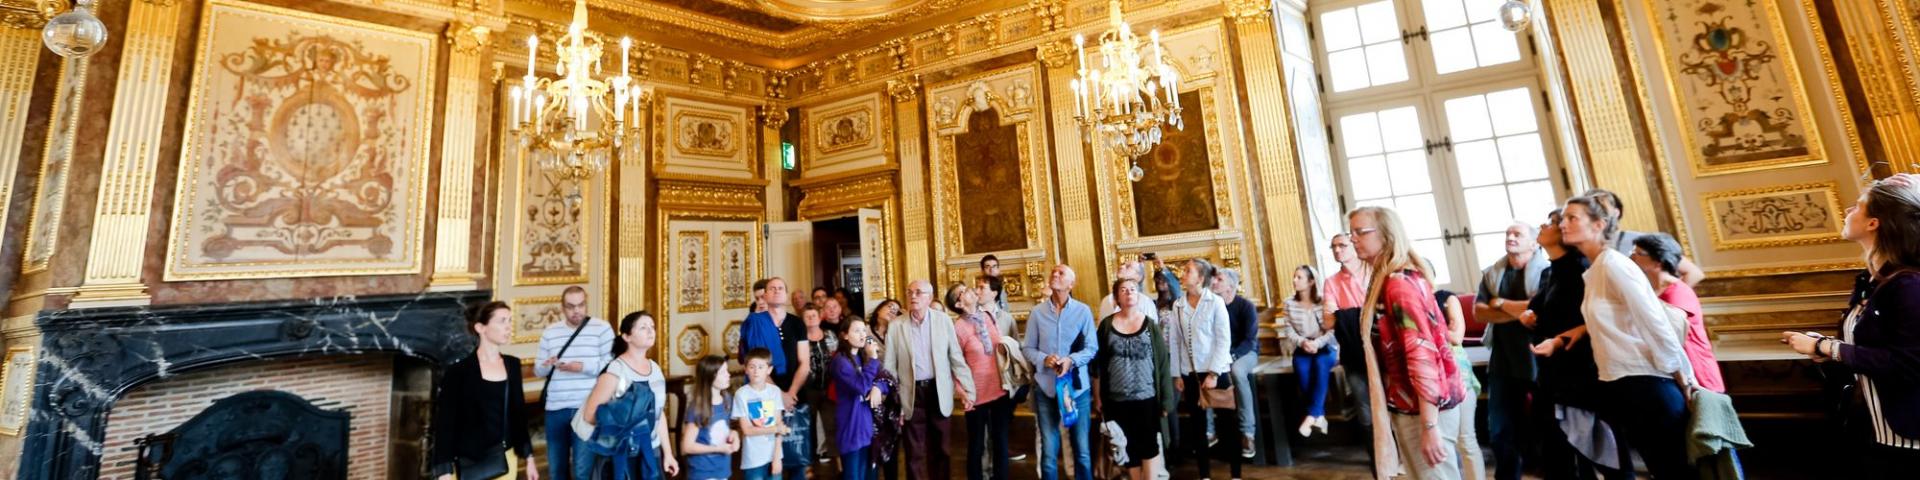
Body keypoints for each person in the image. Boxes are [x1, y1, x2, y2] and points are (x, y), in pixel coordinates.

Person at [1782, 173, 1920, 477]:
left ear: (1874, 223)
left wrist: (1825, 346)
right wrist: (1827, 351)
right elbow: (1871, 350)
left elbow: (1908, 363)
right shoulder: (1871, 282)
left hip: (1910, 439)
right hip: (1873, 431)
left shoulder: (1909, 284)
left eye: (1857, 206)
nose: (1847, 211)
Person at [1560, 195, 1695, 479]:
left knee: (1675, 472)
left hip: (1649, 382)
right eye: (1563, 218)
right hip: (1622, 383)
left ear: (1598, 224)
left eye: (1572, 218)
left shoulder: (1614, 264)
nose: (1563, 224)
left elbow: (1654, 322)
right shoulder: (1595, 270)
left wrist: (1683, 378)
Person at [1348, 206, 1468, 480]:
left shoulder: (1399, 284)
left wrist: (1429, 425)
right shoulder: (1390, 278)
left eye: (1360, 232)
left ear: (1386, 235)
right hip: (1414, 404)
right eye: (1351, 232)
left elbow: (1421, 355)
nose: (1353, 238)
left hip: (1424, 408)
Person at [1471, 222, 1546, 480]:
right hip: (1502, 361)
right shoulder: (1493, 273)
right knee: (1500, 428)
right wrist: (1520, 311)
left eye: (1517, 234)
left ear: (1534, 243)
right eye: (1508, 234)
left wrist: (1500, 303)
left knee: (1546, 424)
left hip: (1537, 358)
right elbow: (1479, 312)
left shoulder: (1545, 271)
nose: (1510, 237)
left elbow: (1539, 308)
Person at [432, 301, 539, 480]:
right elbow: (445, 424)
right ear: (481, 328)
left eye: (510, 320)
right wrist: (444, 471)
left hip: (505, 459)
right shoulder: (458, 372)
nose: (508, 327)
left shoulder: (512, 365)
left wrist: (529, 458)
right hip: (470, 463)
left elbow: (518, 416)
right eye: (502, 321)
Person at [883, 280, 976, 480]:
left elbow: (956, 358)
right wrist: (895, 401)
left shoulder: (943, 321)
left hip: (938, 391)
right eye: (909, 292)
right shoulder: (896, 326)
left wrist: (968, 389)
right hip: (911, 394)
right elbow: (889, 367)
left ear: (930, 297)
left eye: (918, 292)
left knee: (942, 449)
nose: (913, 296)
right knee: (913, 452)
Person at [573, 310, 679, 480]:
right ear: (627, 336)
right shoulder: (615, 370)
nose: (650, 331)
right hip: (621, 454)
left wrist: (668, 453)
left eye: (652, 327)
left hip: (651, 451)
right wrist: (623, 425)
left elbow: (659, 414)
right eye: (643, 327)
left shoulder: (655, 369)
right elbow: (590, 415)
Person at [1092, 277, 1176, 480]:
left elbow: (1163, 364)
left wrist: (1166, 399)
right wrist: (1098, 397)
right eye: (1123, 289)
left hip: (1146, 397)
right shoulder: (1106, 326)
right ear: (1116, 298)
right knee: (1127, 445)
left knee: (1149, 445)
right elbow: (1097, 366)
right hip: (1117, 399)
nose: (1129, 292)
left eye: (1133, 289)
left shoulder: (1150, 325)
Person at [1022, 265, 1098, 480]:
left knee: (1082, 451)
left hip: (1077, 389)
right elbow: (1028, 348)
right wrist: (1044, 359)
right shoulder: (1037, 313)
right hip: (1046, 389)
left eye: (1061, 273)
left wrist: (1071, 360)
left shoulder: (1083, 311)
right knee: (1048, 451)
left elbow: (1091, 348)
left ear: (1071, 284)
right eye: (1053, 272)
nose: (1055, 274)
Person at [533, 286, 615, 480]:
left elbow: (611, 366)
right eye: (570, 306)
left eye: (581, 305)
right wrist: (547, 364)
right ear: (562, 308)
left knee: (582, 471)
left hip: (587, 409)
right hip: (556, 408)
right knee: (556, 471)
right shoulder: (550, 332)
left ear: (586, 304)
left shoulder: (602, 329)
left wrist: (582, 367)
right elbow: (538, 370)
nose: (576, 311)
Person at [1166, 259, 1236, 480]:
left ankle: (1235, 475)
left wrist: (1213, 373)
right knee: (1198, 428)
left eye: (1188, 271)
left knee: (1227, 426)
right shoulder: (1178, 305)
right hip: (1191, 374)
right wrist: (1177, 374)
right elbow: (1175, 342)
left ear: (1200, 278)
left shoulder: (1215, 302)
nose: (1183, 273)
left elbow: (1223, 340)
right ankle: (1204, 475)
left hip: (1217, 372)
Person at [739, 278, 814, 478]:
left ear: (786, 294)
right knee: (768, 457)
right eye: (772, 288)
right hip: (765, 395)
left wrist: (790, 393)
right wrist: (779, 395)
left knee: (797, 457)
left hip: (795, 395)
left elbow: (804, 363)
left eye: (781, 288)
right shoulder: (756, 322)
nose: (777, 291)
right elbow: (757, 365)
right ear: (765, 295)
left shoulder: (797, 323)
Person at [1631, 233, 1724, 393]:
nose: (1633, 256)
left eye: (1639, 253)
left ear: (1658, 262)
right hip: (1674, 371)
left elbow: (1671, 337)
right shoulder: (1651, 290)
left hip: (1695, 372)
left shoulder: (1677, 292)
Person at [948, 283, 1010, 480]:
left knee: (1000, 441)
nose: (971, 290)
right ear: (959, 303)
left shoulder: (988, 316)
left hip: (999, 388)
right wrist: (961, 391)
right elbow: (954, 362)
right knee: (976, 444)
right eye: (963, 291)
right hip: (974, 393)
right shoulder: (958, 327)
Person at [1582, 189, 1705, 286]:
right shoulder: (1580, 248)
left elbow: (1694, 273)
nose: (1594, 214)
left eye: (1600, 208)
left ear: (1616, 212)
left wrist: (1662, 301)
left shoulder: (1642, 241)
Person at [1325, 233, 1375, 430]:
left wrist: (1344, 315)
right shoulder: (1331, 282)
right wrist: (1363, 312)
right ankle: (1373, 448)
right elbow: (1328, 321)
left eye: (1342, 245)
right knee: (1363, 405)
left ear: (1354, 245)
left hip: (1379, 345)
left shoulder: (1373, 271)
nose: (1337, 250)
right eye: (1333, 246)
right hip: (1352, 351)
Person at [834, 318, 892, 480]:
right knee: (853, 475)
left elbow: (885, 379)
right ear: (845, 335)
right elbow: (861, 386)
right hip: (851, 426)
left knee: (868, 474)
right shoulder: (840, 361)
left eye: (864, 331)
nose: (862, 335)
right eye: (857, 331)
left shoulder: (861, 357)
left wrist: (878, 387)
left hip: (866, 427)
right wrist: (873, 358)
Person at [1438, 291, 1486, 480]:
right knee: (1445, 444)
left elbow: (1456, 337)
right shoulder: (1412, 302)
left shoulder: (1446, 298)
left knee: (1466, 439)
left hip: (1459, 377)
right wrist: (1442, 330)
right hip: (1434, 380)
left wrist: (1429, 328)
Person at [1212, 267, 1260, 458]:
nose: (1214, 282)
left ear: (1230, 287)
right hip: (1221, 354)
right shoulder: (1213, 307)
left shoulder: (1246, 306)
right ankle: (1209, 431)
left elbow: (1250, 340)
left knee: (1238, 372)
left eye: (1220, 280)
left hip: (1245, 352)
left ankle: (1248, 433)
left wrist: (1232, 356)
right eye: (1215, 279)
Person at [1285, 266, 1337, 437]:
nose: (1294, 280)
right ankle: (1319, 415)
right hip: (1303, 347)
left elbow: (1332, 329)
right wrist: (1303, 342)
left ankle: (1311, 417)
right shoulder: (1289, 303)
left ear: (1311, 282)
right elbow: (1289, 330)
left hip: (1325, 346)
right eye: (1294, 276)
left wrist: (1317, 343)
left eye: (1299, 277)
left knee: (1321, 364)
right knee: (1302, 371)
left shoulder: (1323, 302)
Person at [682, 355, 739, 480]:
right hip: (703, 472)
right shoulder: (698, 407)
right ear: (710, 376)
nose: (728, 375)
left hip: (722, 468)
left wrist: (734, 434)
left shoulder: (727, 399)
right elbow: (687, 446)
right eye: (723, 372)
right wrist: (719, 448)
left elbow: (721, 428)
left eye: (727, 371)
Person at [737, 349, 786, 480]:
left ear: (769, 370)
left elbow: (779, 424)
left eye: (760, 367)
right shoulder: (741, 394)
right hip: (753, 459)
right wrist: (776, 429)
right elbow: (747, 430)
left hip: (774, 456)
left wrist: (777, 457)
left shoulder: (775, 392)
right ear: (746, 369)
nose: (756, 371)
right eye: (752, 367)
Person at [804, 305, 842, 464]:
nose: (811, 319)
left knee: (832, 422)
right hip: (809, 388)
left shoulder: (829, 335)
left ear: (820, 317)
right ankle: (810, 460)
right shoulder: (801, 338)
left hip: (830, 386)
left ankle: (837, 461)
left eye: (814, 315)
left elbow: (839, 357)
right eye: (807, 316)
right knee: (809, 424)